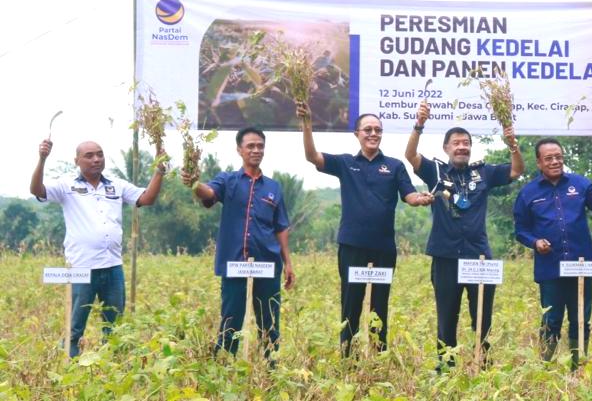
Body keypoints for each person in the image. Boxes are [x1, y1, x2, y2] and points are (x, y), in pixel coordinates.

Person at [297, 103, 433, 356]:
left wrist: (421, 199)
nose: (373, 134)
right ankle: (348, 360)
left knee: (379, 306)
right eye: (368, 129)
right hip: (352, 247)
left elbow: (409, 195)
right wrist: (306, 123)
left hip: (383, 248)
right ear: (357, 133)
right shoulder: (345, 163)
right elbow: (312, 156)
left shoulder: (394, 166)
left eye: (378, 130)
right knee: (351, 305)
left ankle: (378, 359)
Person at [405, 100, 524, 369]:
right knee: (447, 317)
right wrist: (419, 124)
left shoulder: (484, 172)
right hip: (445, 255)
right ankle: (446, 368)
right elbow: (411, 155)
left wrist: (512, 142)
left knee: (482, 317)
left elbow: (517, 170)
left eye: (466, 143)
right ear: (446, 147)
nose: (462, 147)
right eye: (456, 142)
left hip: (479, 256)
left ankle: (483, 364)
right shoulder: (435, 170)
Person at [30, 138, 165, 357]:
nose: (96, 159)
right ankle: (69, 369)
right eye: (89, 155)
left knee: (115, 327)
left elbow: (146, 198)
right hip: (81, 268)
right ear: (77, 161)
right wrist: (42, 158)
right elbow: (37, 189)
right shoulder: (67, 185)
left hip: (113, 267)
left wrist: (159, 172)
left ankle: (113, 369)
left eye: (100, 154)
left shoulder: (116, 185)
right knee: (74, 326)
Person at [513, 137, 592, 369]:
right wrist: (535, 242)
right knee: (551, 320)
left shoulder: (580, 183)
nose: (555, 161)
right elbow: (521, 230)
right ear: (538, 162)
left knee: (580, 320)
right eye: (549, 158)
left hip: (581, 266)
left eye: (558, 156)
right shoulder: (528, 193)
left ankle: (578, 368)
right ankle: (545, 369)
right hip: (550, 268)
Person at [183, 126, 296, 358]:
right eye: (250, 146)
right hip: (235, 264)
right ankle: (224, 367)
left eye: (260, 146)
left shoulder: (274, 187)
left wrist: (288, 263)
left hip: (267, 265)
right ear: (239, 150)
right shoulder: (228, 180)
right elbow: (208, 193)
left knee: (270, 323)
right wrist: (195, 183)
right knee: (230, 321)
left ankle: (270, 370)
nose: (256, 150)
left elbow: (281, 227)